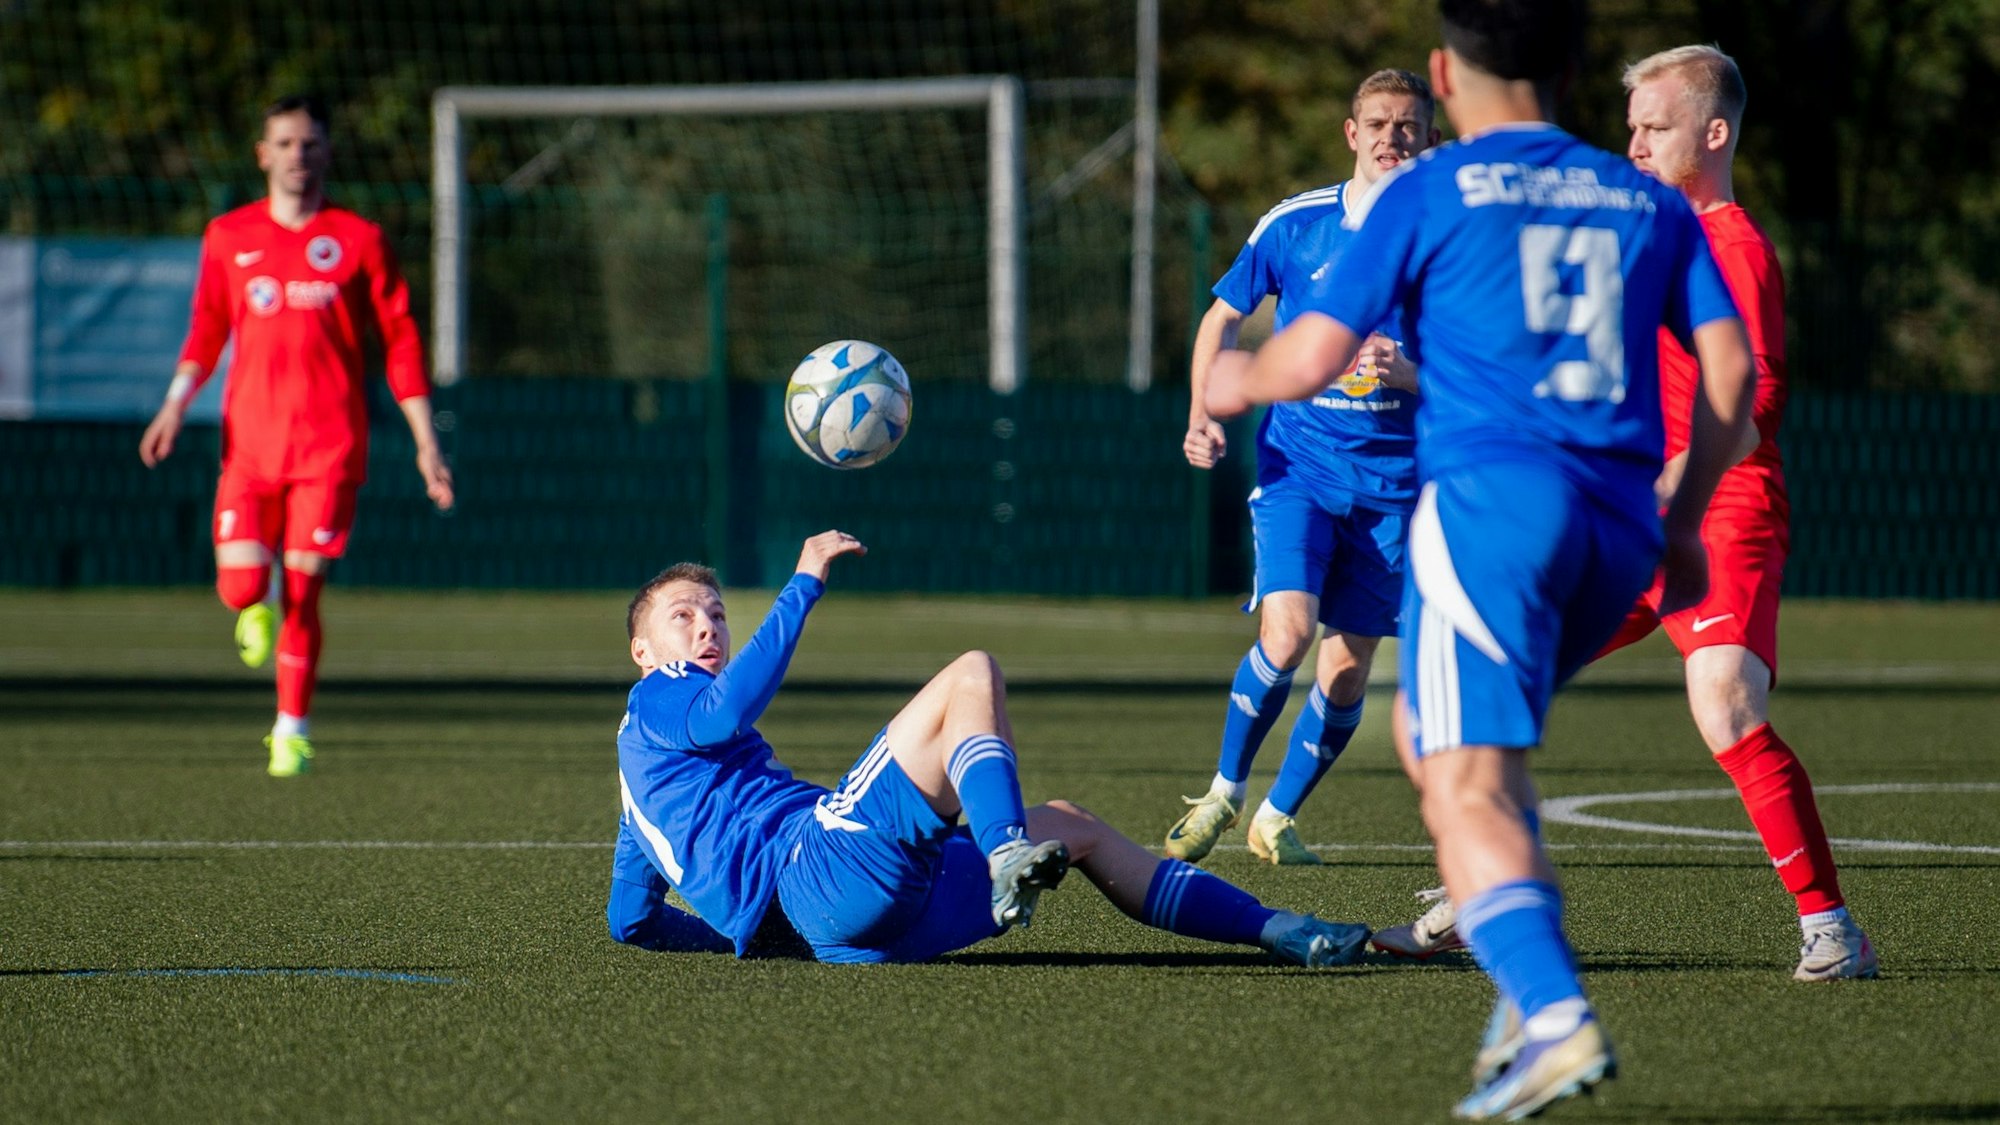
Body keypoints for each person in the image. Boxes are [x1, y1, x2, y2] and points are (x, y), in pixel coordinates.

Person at [1203, 0, 1758, 1116]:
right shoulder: (1645, 201)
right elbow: (1732, 375)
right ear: (1566, 72)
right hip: (1612, 528)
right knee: (1459, 755)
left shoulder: (1431, 191)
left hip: (1491, 518)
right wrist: (1685, 523)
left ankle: (1552, 1015)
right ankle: (1520, 1002)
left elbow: (1310, 353)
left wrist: (1234, 383)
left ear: (1442, 75)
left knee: (1455, 778)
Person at [1371, 44, 1878, 986]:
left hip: (1721, 507)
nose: (1635, 143)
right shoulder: (1635, 227)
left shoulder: (1732, 244)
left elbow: (1757, 397)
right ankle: (1477, 902)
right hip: (1621, 517)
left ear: (1714, 133)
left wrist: (1671, 475)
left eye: (1657, 126)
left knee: (1724, 702)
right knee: (1479, 694)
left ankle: (1832, 927)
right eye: (1632, 125)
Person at [606, 531, 1373, 967]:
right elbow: (723, 709)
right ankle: (1007, 850)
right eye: (683, 616)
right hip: (819, 868)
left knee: (1074, 825)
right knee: (970, 673)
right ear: (644, 651)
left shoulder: (641, 797)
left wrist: (754, 938)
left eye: (715, 612)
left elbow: (629, 921)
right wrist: (803, 583)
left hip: (849, 928)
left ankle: (1280, 930)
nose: (707, 625)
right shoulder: (659, 699)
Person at [1167, 69, 1438, 867]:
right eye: (1379, 123)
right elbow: (1221, 317)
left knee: (1348, 668)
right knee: (1284, 633)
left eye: (1408, 125)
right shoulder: (1297, 224)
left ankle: (1277, 815)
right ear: (1352, 134)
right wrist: (1201, 414)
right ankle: (1223, 790)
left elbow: (1489, 367)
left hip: (1398, 489)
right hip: (1301, 467)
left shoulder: (1449, 240)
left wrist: (1412, 374)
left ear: (1430, 138)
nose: (1393, 136)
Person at [139, 94, 454, 778]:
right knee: (243, 586)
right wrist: (173, 405)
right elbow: (207, 327)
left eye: (309, 144)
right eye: (284, 143)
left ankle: (291, 727)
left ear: (326, 154)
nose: (297, 156)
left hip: (330, 449)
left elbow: (399, 341)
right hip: (249, 447)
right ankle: (255, 601)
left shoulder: (359, 239)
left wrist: (426, 441)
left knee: (306, 593)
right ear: (263, 154)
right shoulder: (228, 236)